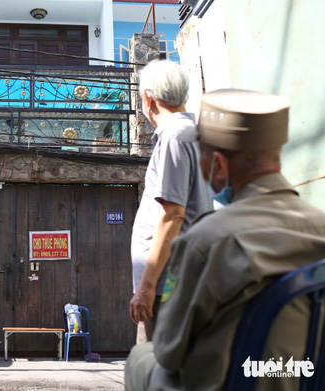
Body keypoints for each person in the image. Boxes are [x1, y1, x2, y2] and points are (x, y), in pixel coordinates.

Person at [125, 89, 325, 391]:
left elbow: (169, 351)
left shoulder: (205, 242)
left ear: (218, 164)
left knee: (142, 358)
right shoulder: (322, 228)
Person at [129, 60, 212, 343]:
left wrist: (147, 287)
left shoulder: (175, 136)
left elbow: (172, 215)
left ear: (148, 98)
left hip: (168, 288)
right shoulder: (192, 135)